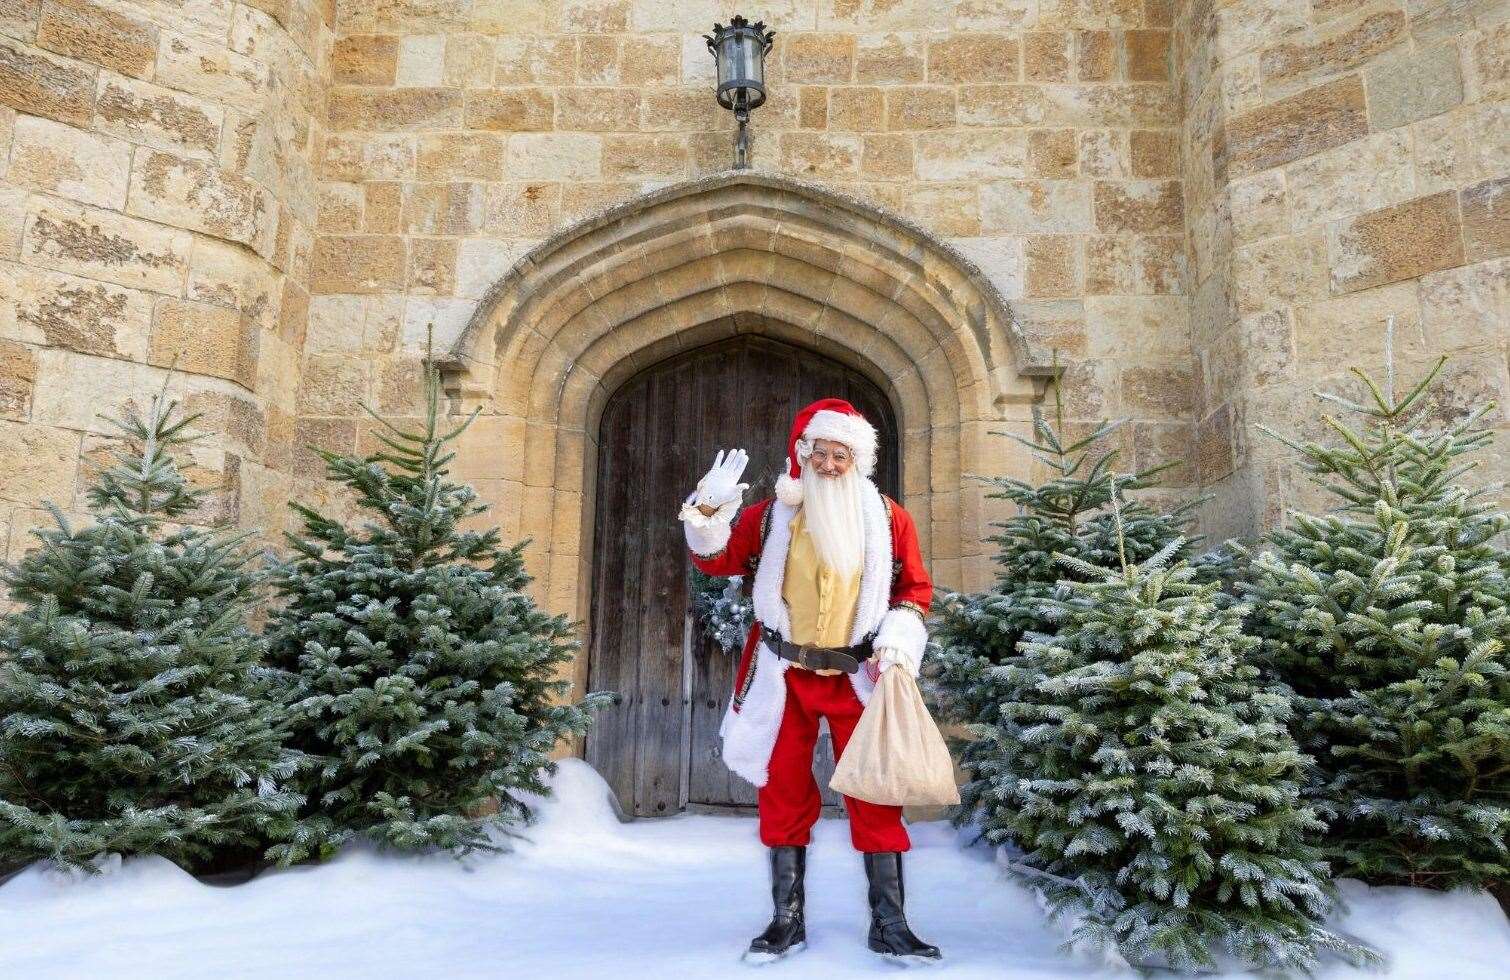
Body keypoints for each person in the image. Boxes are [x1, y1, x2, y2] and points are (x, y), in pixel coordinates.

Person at [678, 398, 942, 964]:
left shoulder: (888, 517)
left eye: (838, 454)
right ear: (803, 454)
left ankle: (890, 923)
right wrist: (708, 509)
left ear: (856, 458)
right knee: (783, 790)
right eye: (817, 452)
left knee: (875, 792)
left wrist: (898, 639)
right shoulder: (773, 515)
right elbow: (716, 559)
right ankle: (786, 920)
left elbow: (914, 591)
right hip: (785, 674)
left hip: (858, 676)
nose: (826, 463)